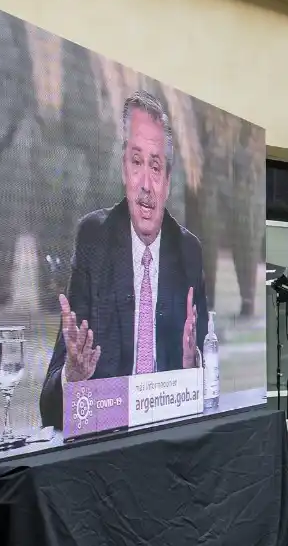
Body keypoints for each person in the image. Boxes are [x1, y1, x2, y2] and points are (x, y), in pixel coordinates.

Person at [39, 91, 208, 430]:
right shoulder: (94, 239)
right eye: (136, 162)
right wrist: (73, 378)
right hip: (109, 439)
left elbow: (202, 396)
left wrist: (193, 366)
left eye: (156, 167)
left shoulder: (188, 251)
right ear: (123, 171)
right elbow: (49, 405)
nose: (146, 184)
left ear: (168, 181)